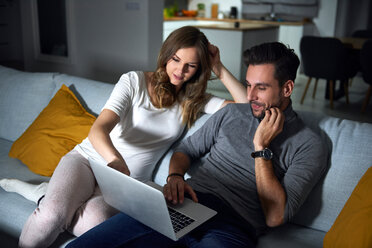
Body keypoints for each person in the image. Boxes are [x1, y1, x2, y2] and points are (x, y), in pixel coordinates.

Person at [1, 26, 246, 248]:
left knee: (94, 224)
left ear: (198, 68)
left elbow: (245, 110)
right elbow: (98, 129)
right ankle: (52, 202)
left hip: (127, 183)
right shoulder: (133, 81)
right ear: (166, 54)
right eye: (176, 59)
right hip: (89, 160)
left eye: (190, 65)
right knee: (51, 216)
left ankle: (44, 194)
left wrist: (219, 68)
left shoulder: (193, 101)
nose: (180, 71)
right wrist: (114, 160)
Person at [65, 42, 328, 248]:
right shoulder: (233, 114)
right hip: (184, 204)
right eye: (248, 85)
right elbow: (185, 151)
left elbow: (274, 217)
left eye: (261, 88)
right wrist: (176, 175)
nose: (249, 97)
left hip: (234, 226)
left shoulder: (309, 143)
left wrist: (261, 148)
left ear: (287, 88)